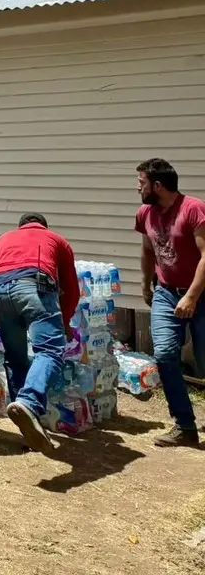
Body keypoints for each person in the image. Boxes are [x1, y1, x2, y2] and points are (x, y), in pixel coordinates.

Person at [0, 213, 79, 454]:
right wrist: (64, 322)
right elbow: (72, 289)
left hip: (0, 292)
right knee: (51, 351)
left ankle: (29, 426)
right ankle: (29, 401)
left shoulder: (3, 239)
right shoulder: (56, 240)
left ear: (20, 227)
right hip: (35, 286)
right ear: (44, 226)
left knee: (16, 360)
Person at [134, 158, 205, 448]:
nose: (138, 188)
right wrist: (145, 284)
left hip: (200, 294)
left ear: (158, 185)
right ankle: (185, 426)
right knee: (164, 355)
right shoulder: (145, 213)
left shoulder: (193, 209)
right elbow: (148, 251)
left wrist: (191, 296)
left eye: (141, 183)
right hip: (165, 292)